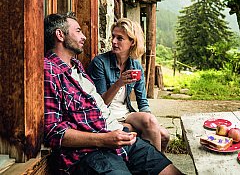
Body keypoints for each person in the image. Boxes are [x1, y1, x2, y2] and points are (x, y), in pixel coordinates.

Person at [44, 12, 182, 175]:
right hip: (92, 152)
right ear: (60, 35)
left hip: (119, 137)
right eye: (78, 31)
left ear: (132, 42)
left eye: (120, 38)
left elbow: (136, 101)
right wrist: (104, 139)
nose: (84, 37)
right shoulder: (50, 70)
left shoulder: (77, 67)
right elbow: (53, 131)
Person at [87, 18, 170, 152]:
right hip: (106, 115)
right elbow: (100, 103)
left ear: (132, 42)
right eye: (113, 36)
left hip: (126, 113)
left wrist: (151, 124)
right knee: (157, 134)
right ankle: (154, 165)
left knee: (162, 133)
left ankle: (156, 165)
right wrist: (119, 83)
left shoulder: (135, 65)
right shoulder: (100, 63)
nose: (114, 41)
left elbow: (142, 102)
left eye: (120, 38)